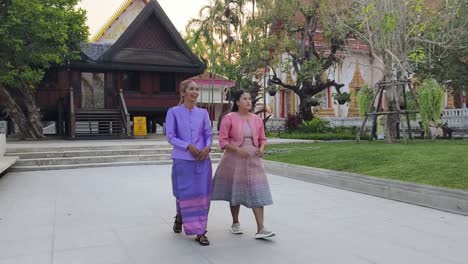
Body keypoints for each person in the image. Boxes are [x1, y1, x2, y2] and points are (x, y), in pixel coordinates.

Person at [211, 89, 275, 239]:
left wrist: (261, 148)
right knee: (235, 189)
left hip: (253, 158)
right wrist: (237, 150)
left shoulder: (257, 119)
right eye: (245, 99)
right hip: (234, 159)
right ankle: (235, 222)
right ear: (238, 102)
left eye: (250, 99)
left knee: (258, 189)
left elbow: (262, 139)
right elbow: (223, 141)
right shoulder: (229, 118)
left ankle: (261, 228)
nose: (248, 101)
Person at [165, 80, 212, 246]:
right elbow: (170, 136)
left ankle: (200, 231)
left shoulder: (203, 113)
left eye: (197, 89)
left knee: (202, 196)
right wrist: (187, 146)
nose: (195, 92)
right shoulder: (173, 112)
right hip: (182, 160)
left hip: (202, 160)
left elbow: (208, 134)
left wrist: (207, 147)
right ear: (183, 93)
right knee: (183, 193)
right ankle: (180, 216)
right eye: (191, 89)